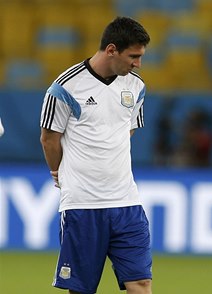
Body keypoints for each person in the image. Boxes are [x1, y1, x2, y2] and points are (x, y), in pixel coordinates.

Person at [39, 17, 152, 294]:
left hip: (127, 202)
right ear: (112, 49)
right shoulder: (65, 87)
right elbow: (49, 137)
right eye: (133, 56)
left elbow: (127, 130)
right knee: (82, 289)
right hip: (83, 205)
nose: (138, 64)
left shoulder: (136, 87)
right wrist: (58, 171)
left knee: (140, 283)